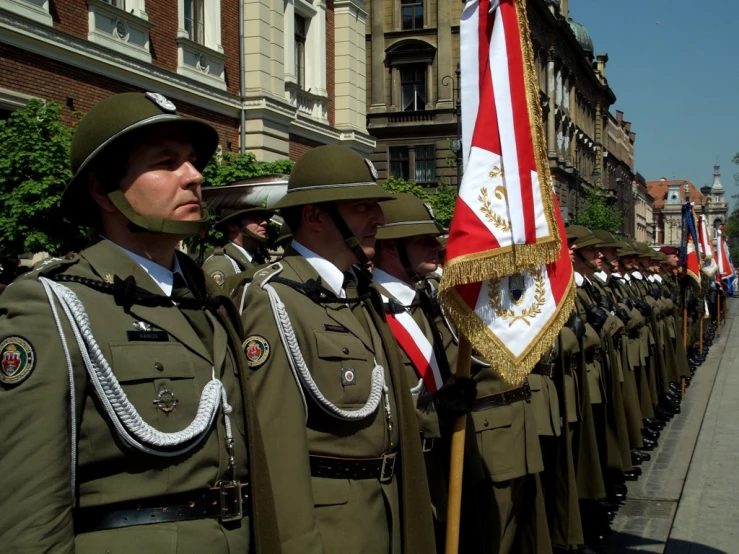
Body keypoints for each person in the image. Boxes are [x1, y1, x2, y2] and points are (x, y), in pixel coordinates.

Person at [0, 92, 280, 553]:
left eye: (191, 161)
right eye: (166, 163)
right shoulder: (53, 304)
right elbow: (27, 512)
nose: (195, 177)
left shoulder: (204, 296)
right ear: (101, 191)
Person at [231, 145, 436, 553]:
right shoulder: (272, 298)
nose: (379, 218)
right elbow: (277, 450)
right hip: (331, 529)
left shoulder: (357, 293)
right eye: (363, 207)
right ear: (314, 216)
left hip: (384, 511)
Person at [372, 193, 477, 550]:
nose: (436, 247)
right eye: (422, 241)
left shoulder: (423, 299)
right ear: (390, 247)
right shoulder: (371, 304)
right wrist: (434, 413)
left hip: (438, 455)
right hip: (405, 465)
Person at [201, 198, 274, 285]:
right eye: (254, 218)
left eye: (263, 218)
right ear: (232, 226)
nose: (264, 222)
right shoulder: (221, 264)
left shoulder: (256, 259)